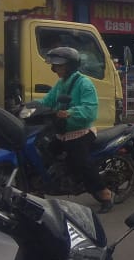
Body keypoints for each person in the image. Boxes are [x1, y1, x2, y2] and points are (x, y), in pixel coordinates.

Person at [40, 47, 114, 213]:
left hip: (80, 132)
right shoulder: (61, 84)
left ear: (70, 66)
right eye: (55, 66)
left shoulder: (84, 83)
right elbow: (47, 101)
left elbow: (90, 110)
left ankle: (104, 194)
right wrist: (31, 107)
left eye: (59, 66)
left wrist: (70, 113)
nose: (56, 69)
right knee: (45, 150)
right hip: (62, 132)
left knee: (82, 163)